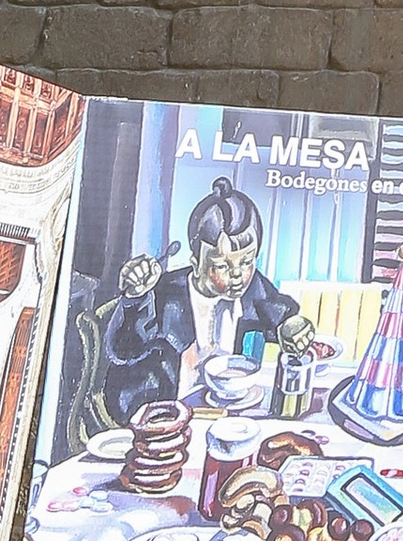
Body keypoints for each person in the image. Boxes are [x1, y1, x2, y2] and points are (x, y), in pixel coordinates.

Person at [99, 179, 316, 423]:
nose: (237, 274)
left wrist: (290, 326)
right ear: (196, 263)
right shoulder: (164, 295)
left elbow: (275, 310)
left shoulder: (251, 287)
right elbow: (122, 349)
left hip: (220, 411)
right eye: (222, 265)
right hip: (159, 413)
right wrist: (135, 298)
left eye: (247, 261)